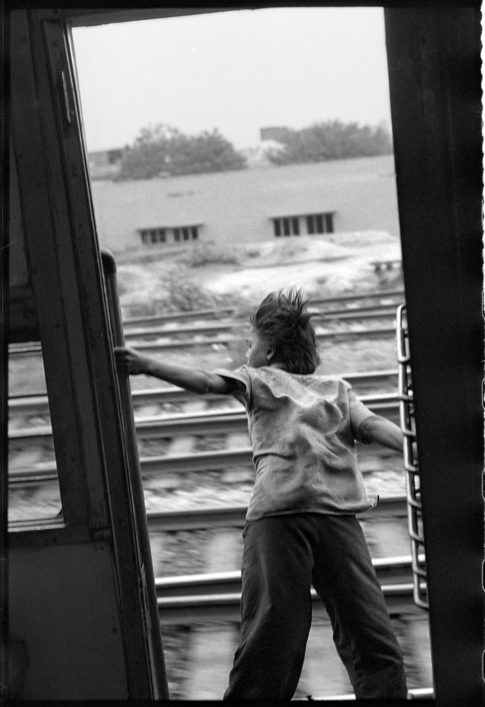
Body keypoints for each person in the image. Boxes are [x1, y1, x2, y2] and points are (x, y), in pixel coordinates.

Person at [115, 288, 408, 701]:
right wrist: (145, 366)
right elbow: (206, 383)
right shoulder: (267, 382)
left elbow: (372, 425)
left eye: (250, 343)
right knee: (299, 637)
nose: (246, 351)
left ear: (269, 350)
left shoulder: (334, 387)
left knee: (347, 636)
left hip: (325, 519)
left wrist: (415, 446)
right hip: (286, 520)